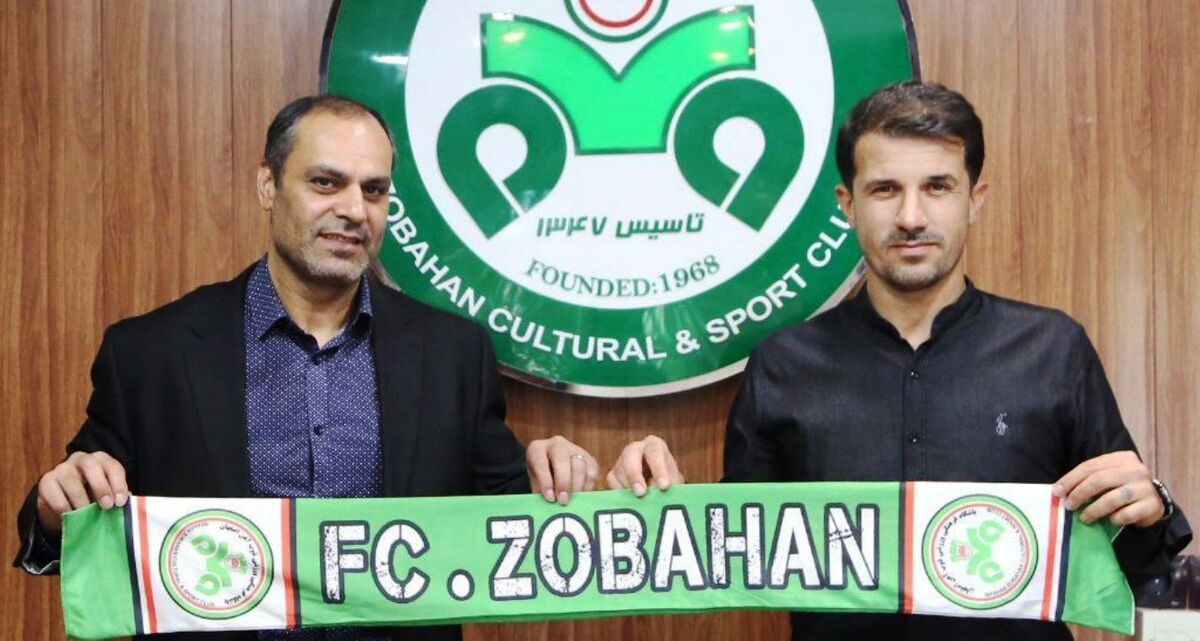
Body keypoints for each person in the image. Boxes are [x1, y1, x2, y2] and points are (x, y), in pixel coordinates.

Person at [608, 81, 1191, 640]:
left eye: (937, 187)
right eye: (885, 189)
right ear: (848, 204)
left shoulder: (1053, 350)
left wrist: (1150, 508)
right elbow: (736, 557)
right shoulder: (782, 366)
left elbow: (1137, 565)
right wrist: (662, 506)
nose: (911, 217)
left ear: (974, 200)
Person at [15, 95, 599, 641]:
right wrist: (55, 506)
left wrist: (563, 477)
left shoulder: (453, 353)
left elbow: (508, 522)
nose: (354, 210)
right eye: (326, 182)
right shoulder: (151, 352)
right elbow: (71, 517)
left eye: (374, 191)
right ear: (268, 185)